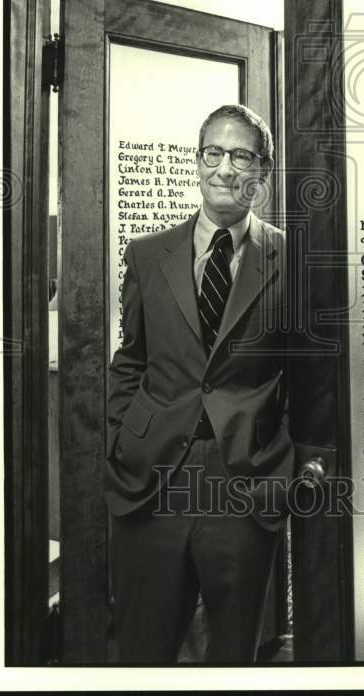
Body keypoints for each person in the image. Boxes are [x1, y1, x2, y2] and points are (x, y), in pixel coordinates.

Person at [104, 103, 294, 664]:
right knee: (143, 649)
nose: (225, 169)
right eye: (214, 153)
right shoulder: (145, 255)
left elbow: (307, 380)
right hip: (151, 477)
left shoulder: (293, 257)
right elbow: (131, 360)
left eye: (241, 156)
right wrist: (120, 438)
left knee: (234, 653)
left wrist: (285, 469)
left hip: (244, 483)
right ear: (197, 160)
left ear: (262, 170)